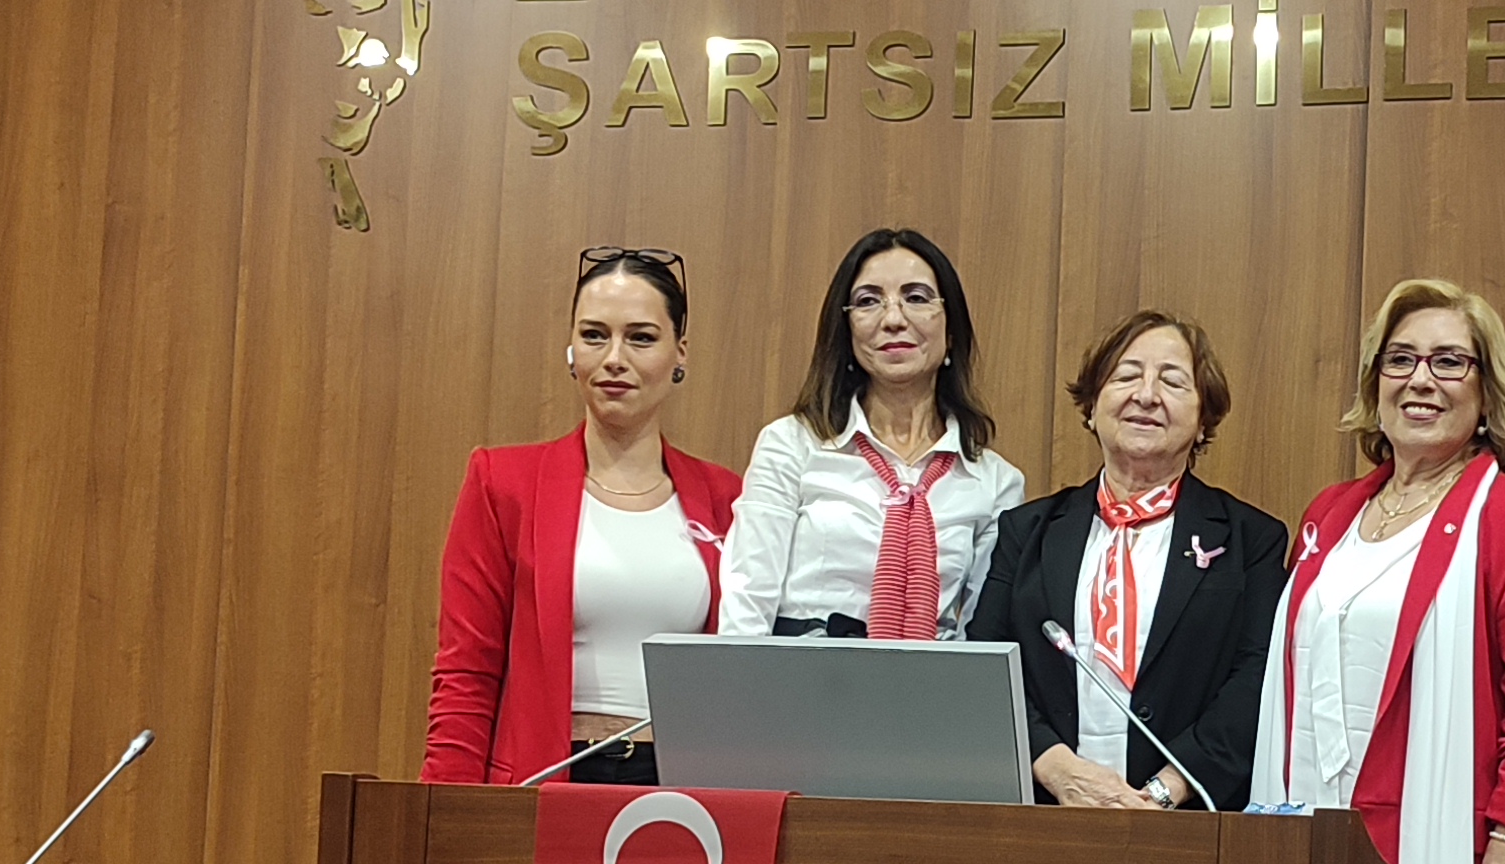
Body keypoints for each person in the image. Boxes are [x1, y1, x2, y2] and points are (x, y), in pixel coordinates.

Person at [1249, 279, 1505, 864]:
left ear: (1487, 392)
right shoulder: (1330, 514)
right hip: (1310, 840)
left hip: (1439, 857)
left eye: (1449, 362)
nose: (1420, 380)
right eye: (1399, 360)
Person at [428, 247, 744, 786]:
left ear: (680, 354)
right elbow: (466, 670)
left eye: (640, 337)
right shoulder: (502, 483)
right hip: (544, 782)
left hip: (680, 791)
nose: (614, 358)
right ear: (572, 350)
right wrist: (442, 809)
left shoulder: (727, 498)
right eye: (595, 335)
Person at [969, 310, 1289, 810]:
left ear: (1203, 420)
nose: (1146, 395)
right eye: (1126, 376)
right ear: (1092, 408)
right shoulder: (1026, 532)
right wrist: (1058, 772)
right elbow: (985, 669)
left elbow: (1258, 681)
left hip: (1190, 822)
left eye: (1173, 381)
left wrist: (1164, 792)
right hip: (1040, 813)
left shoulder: (1253, 541)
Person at [719, 227, 1026, 640]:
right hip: (800, 671)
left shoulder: (995, 481)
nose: (893, 319)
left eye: (917, 298)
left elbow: (981, 636)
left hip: (927, 676)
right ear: (845, 331)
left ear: (952, 330)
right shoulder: (791, 446)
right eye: (868, 301)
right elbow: (747, 602)